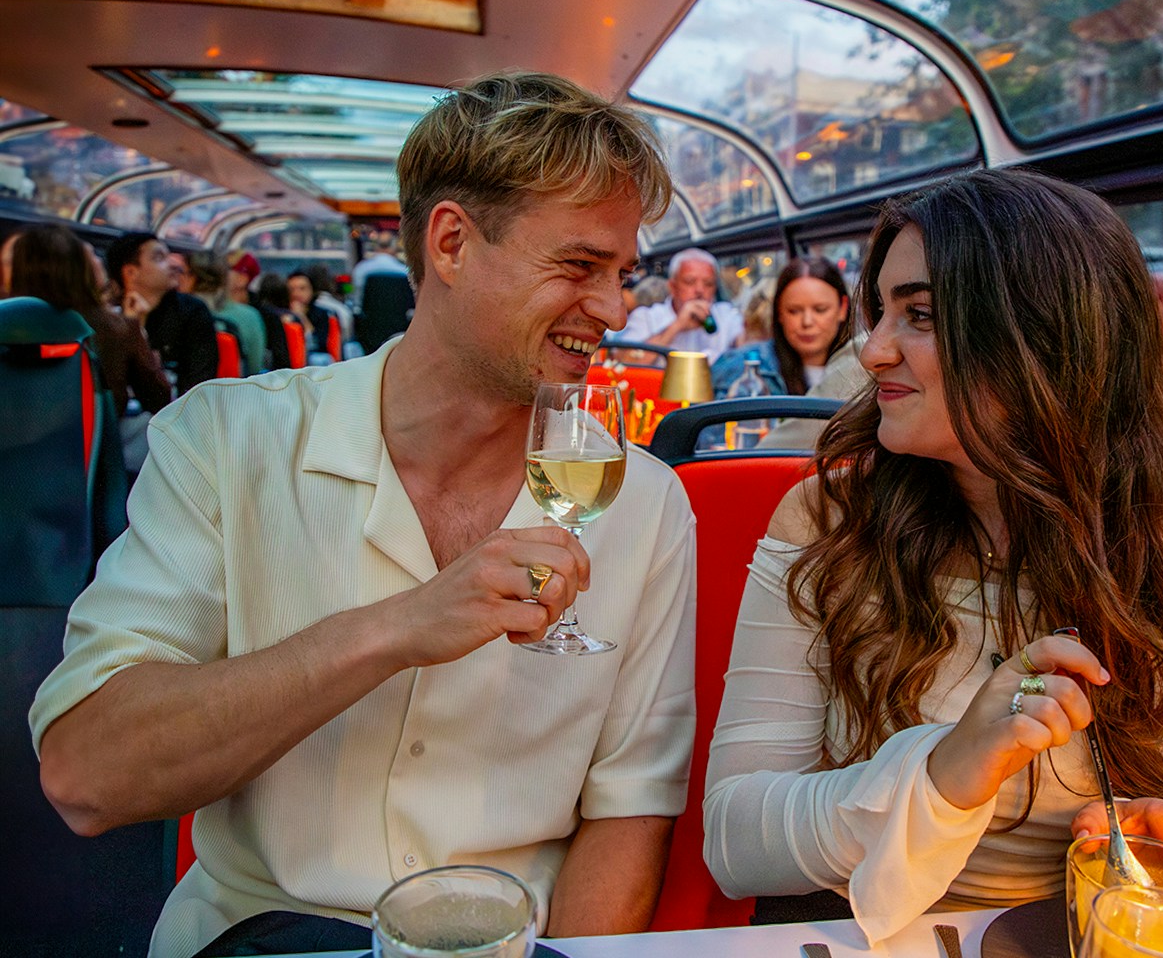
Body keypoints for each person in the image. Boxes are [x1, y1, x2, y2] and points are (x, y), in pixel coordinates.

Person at [30, 70, 694, 958]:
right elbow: (86, 776)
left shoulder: (644, 501)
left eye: (624, 275)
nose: (614, 310)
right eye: (579, 265)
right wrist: (395, 628)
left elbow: (630, 812)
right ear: (451, 243)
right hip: (263, 940)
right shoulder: (228, 441)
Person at [702, 169, 1163, 944]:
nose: (871, 352)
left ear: (1044, 341)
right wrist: (943, 771)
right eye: (881, 313)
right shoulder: (827, 525)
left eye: (921, 316)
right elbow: (735, 845)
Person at [8, 224, 170, 418]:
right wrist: (139, 333)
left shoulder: (8, 324)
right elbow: (159, 399)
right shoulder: (116, 327)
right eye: (91, 255)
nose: (98, 261)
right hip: (92, 443)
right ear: (79, 269)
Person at [711, 256, 851, 397]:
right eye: (794, 311)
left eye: (820, 309)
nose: (807, 322)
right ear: (779, 312)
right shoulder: (741, 368)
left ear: (843, 308)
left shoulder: (864, 372)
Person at [106, 231, 218, 396]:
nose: (173, 264)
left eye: (169, 256)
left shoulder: (191, 311)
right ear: (130, 272)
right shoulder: (109, 316)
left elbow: (199, 384)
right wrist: (135, 327)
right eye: (159, 258)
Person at [618, 248, 743, 361]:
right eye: (690, 282)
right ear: (672, 287)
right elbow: (624, 362)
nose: (699, 290)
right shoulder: (646, 317)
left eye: (708, 283)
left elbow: (747, 349)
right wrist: (677, 326)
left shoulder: (726, 315)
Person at [349, 229, 407, 316]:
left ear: (376, 246)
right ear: (394, 246)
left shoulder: (360, 270)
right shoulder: (404, 271)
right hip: (401, 324)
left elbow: (354, 298)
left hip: (366, 324)